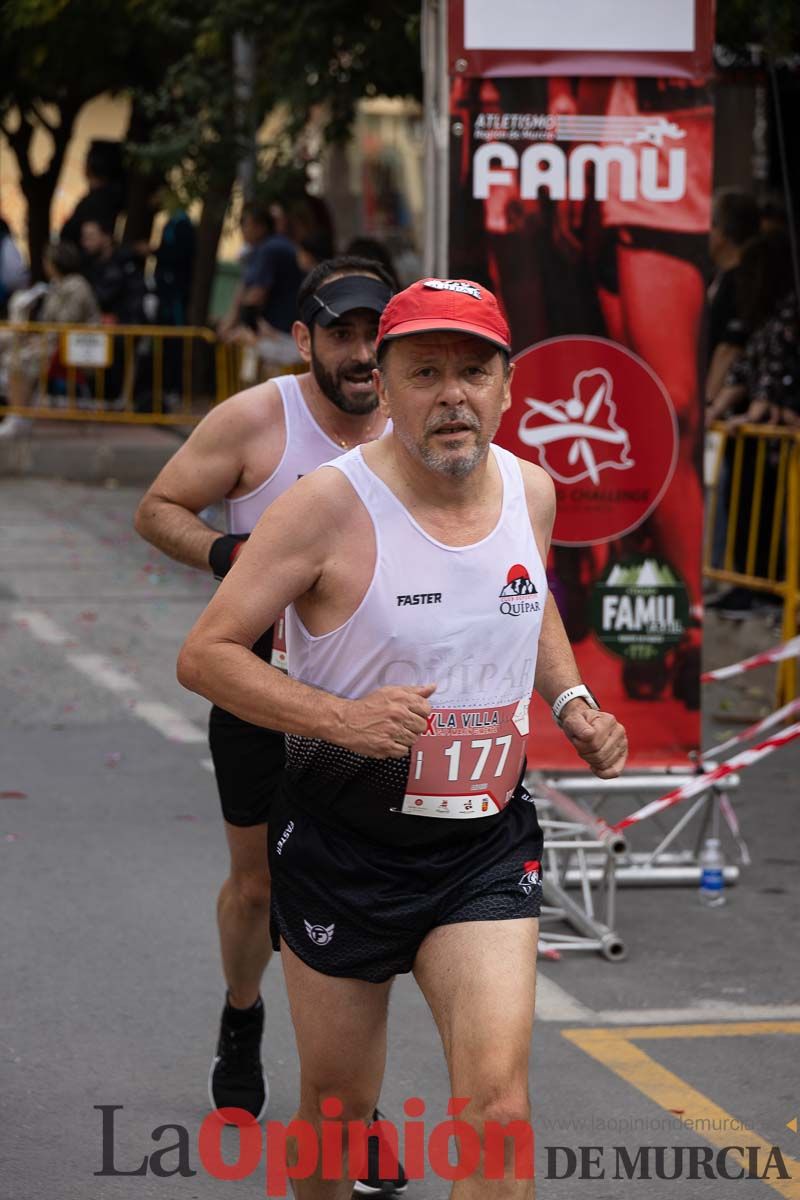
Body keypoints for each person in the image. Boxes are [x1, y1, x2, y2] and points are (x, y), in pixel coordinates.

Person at [176, 278, 628, 1199]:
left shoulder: (530, 493)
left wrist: (573, 698)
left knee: (498, 1113)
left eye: (474, 371)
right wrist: (343, 720)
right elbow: (206, 655)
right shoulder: (324, 507)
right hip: (344, 845)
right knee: (339, 1113)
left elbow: (524, 593)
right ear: (384, 385)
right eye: (425, 371)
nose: (451, 393)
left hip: (483, 845)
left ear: (507, 388)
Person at [134, 256, 407, 1195]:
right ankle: (242, 1010)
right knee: (258, 894)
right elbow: (158, 506)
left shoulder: (419, 417)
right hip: (261, 693)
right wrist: (227, 551)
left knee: (355, 906)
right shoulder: (258, 419)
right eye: (342, 334)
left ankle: (355, 1110)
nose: (364, 353)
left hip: (371, 709)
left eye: (377, 332)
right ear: (305, 341)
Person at [0, 241, 100, 439]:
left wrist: (40, 339)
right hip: (55, 342)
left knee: (17, 360)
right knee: (10, 347)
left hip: (70, 347)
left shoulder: (76, 286)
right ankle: (18, 411)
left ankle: (19, 417)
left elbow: (66, 323)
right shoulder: (57, 286)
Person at [705, 189, 760, 404]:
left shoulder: (744, 281)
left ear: (724, 233)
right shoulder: (716, 278)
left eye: (709, 225)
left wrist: (708, 403)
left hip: (725, 408)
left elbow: (730, 348)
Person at [218, 203, 303, 341]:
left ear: (261, 226)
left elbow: (256, 294)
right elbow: (244, 287)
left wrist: (237, 323)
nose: (243, 230)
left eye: (246, 225)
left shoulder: (270, 249)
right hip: (282, 327)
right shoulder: (263, 248)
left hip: (282, 331)